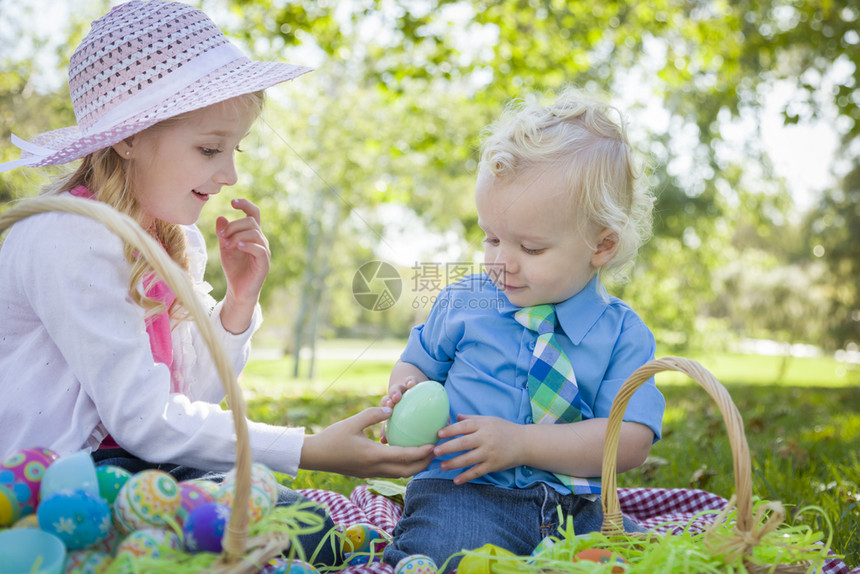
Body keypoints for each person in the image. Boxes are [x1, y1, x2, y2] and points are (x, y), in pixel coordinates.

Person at [0, 0, 433, 564]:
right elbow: (144, 420)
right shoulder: (68, 235)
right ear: (128, 138)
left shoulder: (170, 239)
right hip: (61, 482)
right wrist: (308, 448)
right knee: (277, 527)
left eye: (234, 150)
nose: (229, 174)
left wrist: (238, 302)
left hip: (135, 468)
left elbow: (187, 403)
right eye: (209, 149)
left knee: (308, 523)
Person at [381, 89, 665, 571]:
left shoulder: (623, 334)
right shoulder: (464, 302)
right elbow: (417, 362)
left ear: (602, 246)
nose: (500, 262)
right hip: (464, 493)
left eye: (531, 248)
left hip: (577, 509)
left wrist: (522, 443)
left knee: (652, 559)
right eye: (491, 237)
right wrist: (405, 388)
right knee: (450, 551)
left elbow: (630, 440)